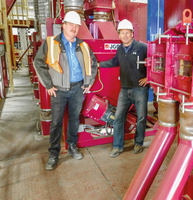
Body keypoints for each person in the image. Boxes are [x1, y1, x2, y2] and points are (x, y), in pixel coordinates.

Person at [34, 11, 98, 170]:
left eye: (77, 26)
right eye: (71, 25)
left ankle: (72, 146)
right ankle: (54, 153)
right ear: (63, 26)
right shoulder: (50, 43)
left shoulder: (83, 45)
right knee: (56, 123)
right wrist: (48, 85)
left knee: (74, 119)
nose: (74, 28)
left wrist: (88, 82)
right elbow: (38, 63)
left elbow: (93, 64)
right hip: (59, 90)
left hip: (78, 89)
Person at [99, 19, 148, 158]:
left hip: (140, 89)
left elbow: (155, 61)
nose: (125, 35)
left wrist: (149, 79)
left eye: (127, 33)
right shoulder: (120, 49)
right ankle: (117, 146)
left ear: (132, 33)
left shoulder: (142, 48)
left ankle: (138, 143)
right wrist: (98, 65)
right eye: (122, 33)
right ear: (119, 35)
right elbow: (114, 62)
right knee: (118, 118)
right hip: (125, 90)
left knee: (141, 118)